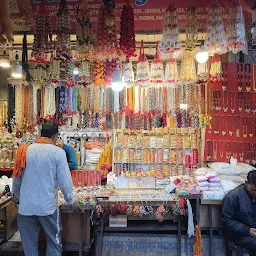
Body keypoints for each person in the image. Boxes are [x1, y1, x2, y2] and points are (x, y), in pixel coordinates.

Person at [12, 122, 74, 256]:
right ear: (56, 137)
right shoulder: (58, 153)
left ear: (40, 134)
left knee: (29, 248)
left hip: (26, 208)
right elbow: (65, 181)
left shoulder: (24, 150)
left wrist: (17, 199)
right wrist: (69, 199)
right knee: (54, 243)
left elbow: (16, 178)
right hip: (48, 208)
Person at [222, 170, 256, 254]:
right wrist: (248, 230)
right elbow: (227, 221)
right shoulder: (233, 196)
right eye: (253, 190)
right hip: (240, 235)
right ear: (246, 183)